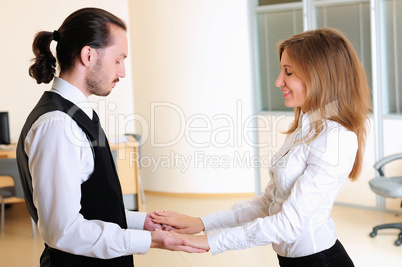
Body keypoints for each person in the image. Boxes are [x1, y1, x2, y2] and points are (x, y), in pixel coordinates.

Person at [151, 28, 371, 267]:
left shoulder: (334, 138)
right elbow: (269, 202)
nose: (278, 81)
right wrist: (201, 222)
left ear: (320, 76)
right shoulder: (306, 127)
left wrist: (210, 241)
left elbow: (288, 223)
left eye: (288, 72)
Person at [16, 7, 205, 267]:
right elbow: (64, 231)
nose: (123, 71)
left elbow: (95, 209)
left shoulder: (76, 115)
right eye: (118, 60)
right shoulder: (58, 125)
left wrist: (143, 222)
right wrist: (151, 241)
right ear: (88, 55)